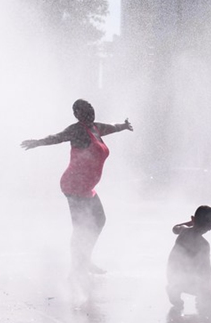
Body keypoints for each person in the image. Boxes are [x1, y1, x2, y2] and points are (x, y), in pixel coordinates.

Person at [21, 99, 132, 299]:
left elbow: (113, 127)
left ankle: (85, 260)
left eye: (91, 108)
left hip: (87, 187)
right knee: (82, 227)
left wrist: (123, 126)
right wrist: (37, 142)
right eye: (84, 111)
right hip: (74, 186)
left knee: (99, 221)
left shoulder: (96, 128)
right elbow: (57, 137)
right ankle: (77, 270)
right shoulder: (78, 130)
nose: (90, 112)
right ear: (77, 115)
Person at [166, 205, 211, 310]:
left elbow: (174, 228)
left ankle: (174, 291)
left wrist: (189, 223)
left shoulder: (183, 230)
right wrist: (209, 288)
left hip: (171, 275)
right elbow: (206, 270)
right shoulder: (204, 244)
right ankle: (202, 299)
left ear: (193, 219)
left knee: (180, 281)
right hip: (185, 280)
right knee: (210, 290)